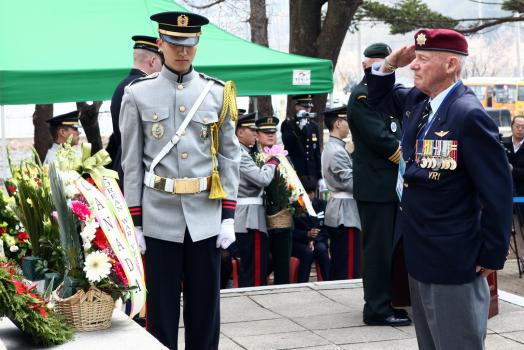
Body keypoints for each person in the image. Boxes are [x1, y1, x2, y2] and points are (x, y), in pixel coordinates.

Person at [366, 28, 512, 349]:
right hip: (420, 253)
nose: (414, 66)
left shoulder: (467, 114)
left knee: (458, 343)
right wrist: (390, 62)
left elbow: (497, 191)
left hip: (455, 257)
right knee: (431, 344)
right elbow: (375, 95)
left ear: (450, 65)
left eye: (422, 60)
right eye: (415, 59)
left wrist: (492, 252)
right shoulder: (421, 104)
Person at [119, 11, 240, 350]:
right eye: (174, 44)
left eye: (189, 45)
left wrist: (229, 215)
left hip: (205, 215)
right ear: (160, 44)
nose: (182, 52)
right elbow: (132, 164)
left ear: (197, 45)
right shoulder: (137, 95)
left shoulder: (217, 93)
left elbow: (230, 157)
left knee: (206, 309)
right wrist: (136, 222)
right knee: (161, 311)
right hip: (159, 217)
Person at [347, 43, 410, 327]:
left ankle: (390, 300)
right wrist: (408, 155)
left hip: (392, 184)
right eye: (379, 66)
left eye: (388, 66)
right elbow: (380, 137)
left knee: (390, 248)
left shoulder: (387, 95)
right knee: (378, 250)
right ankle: (376, 308)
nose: (383, 71)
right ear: (366, 66)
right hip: (377, 185)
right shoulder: (362, 95)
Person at [106, 35, 163, 182]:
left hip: (122, 165)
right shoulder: (145, 88)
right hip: (139, 171)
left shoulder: (122, 85)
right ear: (153, 61)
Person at [234, 112, 279, 287]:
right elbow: (262, 179)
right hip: (249, 218)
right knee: (254, 268)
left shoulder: (244, 152)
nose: (255, 133)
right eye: (251, 130)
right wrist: (272, 162)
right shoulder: (241, 153)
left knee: (255, 265)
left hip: (250, 215)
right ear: (239, 132)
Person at [321, 106, 362, 281]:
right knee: (348, 266)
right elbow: (351, 183)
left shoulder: (334, 148)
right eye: (346, 121)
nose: (349, 125)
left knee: (342, 261)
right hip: (345, 214)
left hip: (341, 210)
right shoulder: (337, 151)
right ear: (338, 123)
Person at [256, 116, 292, 285]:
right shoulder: (254, 158)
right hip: (261, 217)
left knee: (283, 265)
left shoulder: (283, 156)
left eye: (273, 132)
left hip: (284, 217)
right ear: (257, 135)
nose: (270, 135)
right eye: (265, 132)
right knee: (262, 265)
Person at [291, 175, 330, 282]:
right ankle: (302, 283)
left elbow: (326, 230)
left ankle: (328, 281)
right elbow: (291, 231)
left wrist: (314, 240)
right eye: (305, 193)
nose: (308, 196)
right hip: (299, 242)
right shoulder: (294, 207)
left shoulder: (323, 205)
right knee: (307, 252)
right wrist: (307, 236)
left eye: (310, 193)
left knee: (321, 250)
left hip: (319, 240)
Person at [281, 95, 322, 185]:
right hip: (296, 172)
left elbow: (317, 153)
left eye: (309, 107)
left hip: (311, 174)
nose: (307, 109)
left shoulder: (313, 126)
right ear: (297, 107)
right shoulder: (288, 124)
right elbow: (288, 144)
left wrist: (319, 176)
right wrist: (299, 127)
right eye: (304, 106)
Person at [503, 116, 524, 196]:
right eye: (517, 126)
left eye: (523, 127)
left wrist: (512, 169)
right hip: (504, 188)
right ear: (512, 127)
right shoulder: (501, 142)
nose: (520, 129)